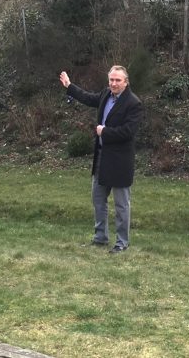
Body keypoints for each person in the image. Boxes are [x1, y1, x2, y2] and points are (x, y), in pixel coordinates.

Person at [59, 66, 143, 254]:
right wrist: (70, 86)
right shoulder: (106, 95)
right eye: (111, 80)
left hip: (120, 162)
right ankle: (100, 238)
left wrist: (104, 131)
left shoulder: (133, 103)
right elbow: (89, 98)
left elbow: (128, 132)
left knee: (121, 206)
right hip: (102, 158)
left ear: (126, 82)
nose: (113, 83)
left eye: (118, 80)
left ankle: (122, 242)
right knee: (98, 200)